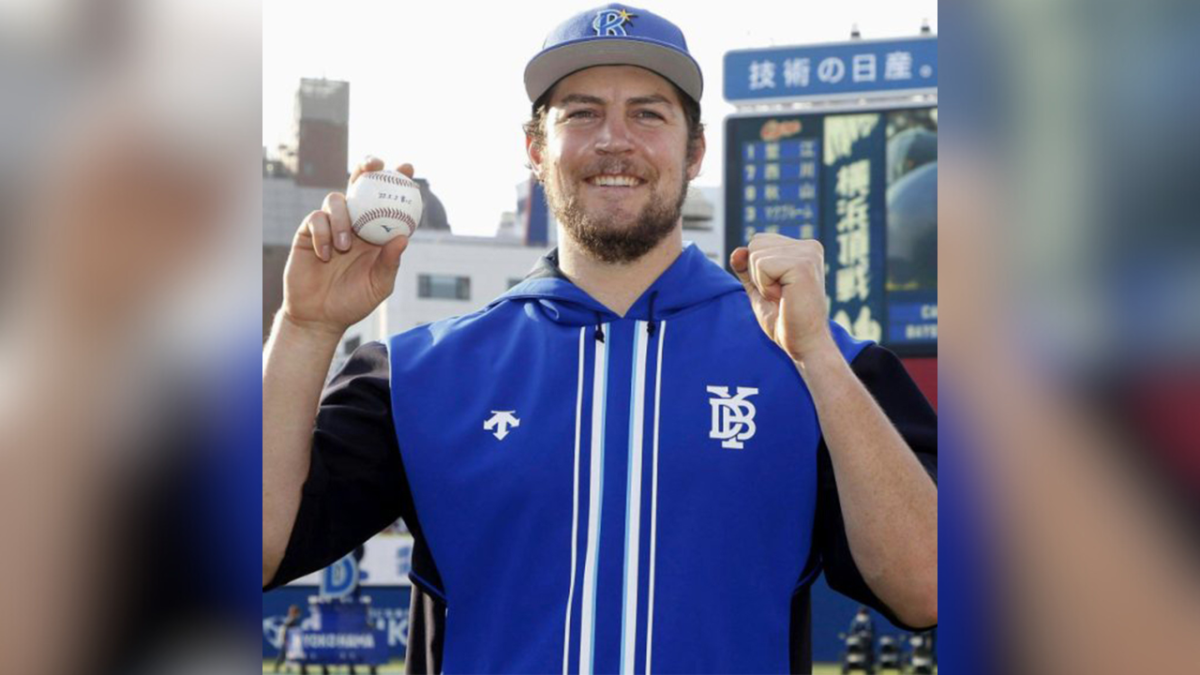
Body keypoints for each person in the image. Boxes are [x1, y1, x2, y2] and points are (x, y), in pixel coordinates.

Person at [262, 5, 937, 674]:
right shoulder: (420, 375)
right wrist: (305, 326)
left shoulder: (821, 365)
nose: (615, 140)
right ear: (535, 149)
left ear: (695, 149)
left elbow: (927, 586)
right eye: (581, 113)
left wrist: (817, 357)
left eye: (648, 113)